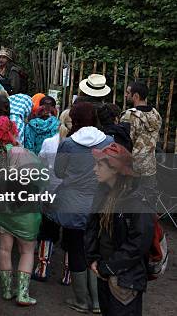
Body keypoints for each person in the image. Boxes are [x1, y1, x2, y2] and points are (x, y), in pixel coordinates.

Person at [47, 101, 113, 313]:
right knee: (96, 251)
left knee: (76, 251)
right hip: (100, 205)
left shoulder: (68, 144)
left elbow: (58, 172)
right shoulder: (109, 141)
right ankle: (97, 302)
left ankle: (81, 300)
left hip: (72, 204)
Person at [86, 143, 154, 316]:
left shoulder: (137, 201)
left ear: (115, 169)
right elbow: (93, 227)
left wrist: (109, 267)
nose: (95, 169)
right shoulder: (103, 192)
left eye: (100, 165)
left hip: (125, 279)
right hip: (105, 272)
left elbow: (139, 242)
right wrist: (93, 258)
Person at [0, 117, 44, 306]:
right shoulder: (21, 152)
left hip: (3, 210)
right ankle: (22, 294)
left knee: (4, 249)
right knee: (27, 252)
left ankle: (6, 290)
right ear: (13, 132)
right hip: (26, 211)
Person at [34, 110, 72, 284]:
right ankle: (68, 274)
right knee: (71, 233)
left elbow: (41, 167)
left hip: (50, 193)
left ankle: (42, 268)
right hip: (72, 196)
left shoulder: (49, 143)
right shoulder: (81, 145)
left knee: (47, 231)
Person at [121, 81, 161, 192]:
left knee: (129, 201)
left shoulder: (129, 116)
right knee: (147, 201)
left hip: (132, 169)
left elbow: (124, 143)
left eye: (128, 92)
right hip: (150, 167)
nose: (125, 95)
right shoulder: (156, 114)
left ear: (136, 96)